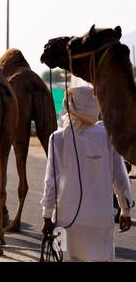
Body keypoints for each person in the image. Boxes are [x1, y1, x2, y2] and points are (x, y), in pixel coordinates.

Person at [41, 86, 134, 262]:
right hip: (100, 222)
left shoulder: (57, 138)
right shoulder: (108, 136)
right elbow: (121, 177)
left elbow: (51, 181)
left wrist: (47, 215)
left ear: (69, 106)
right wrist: (125, 210)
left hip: (65, 222)